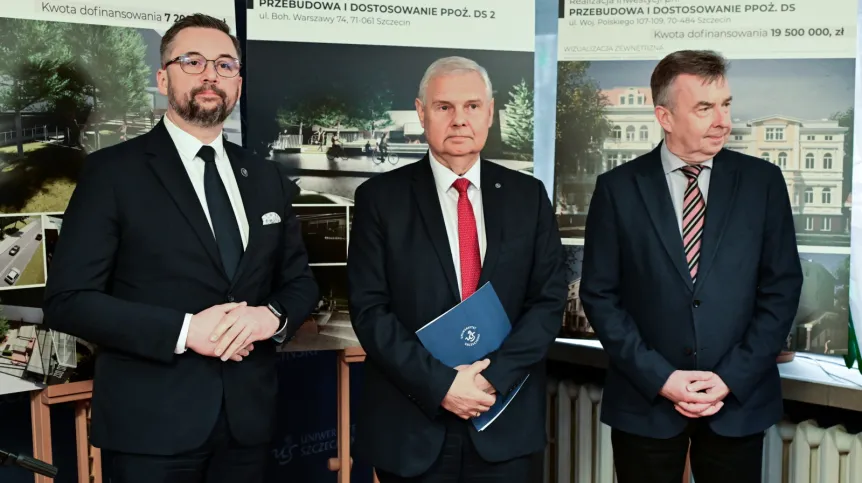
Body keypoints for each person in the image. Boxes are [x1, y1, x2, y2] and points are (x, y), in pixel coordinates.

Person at [42, 14, 318, 483]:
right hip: (151, 430)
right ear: (163, 76)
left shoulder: (265, 177)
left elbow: (300, 283)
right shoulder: (112, 174)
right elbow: (68, 302)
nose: (210, 74)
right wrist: (186, 330)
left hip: (247, 424)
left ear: (238, 82)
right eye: (193, 61)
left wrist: (269, 317)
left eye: (225, 64)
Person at [579, 49, 803, 483]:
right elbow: (601, 297)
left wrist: (730, 378)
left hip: (736, 401)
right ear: (664, 116)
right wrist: (661, 378)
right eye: (705, 108)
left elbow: (781, 289)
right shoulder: (618, 189)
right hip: (645, 401)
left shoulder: (763, 183)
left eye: (726, 105)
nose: (723, 121)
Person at [347, 56, 567, 482]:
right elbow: (370, 311)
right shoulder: (380, 198)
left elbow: (548, 301)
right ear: (421, 112)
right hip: (411, 426)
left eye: (471, 106)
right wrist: (442, 386)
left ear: (489, 112)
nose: (459, 119)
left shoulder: (528, 196)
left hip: (504, 421)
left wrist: (492, 379)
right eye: (444, 107)